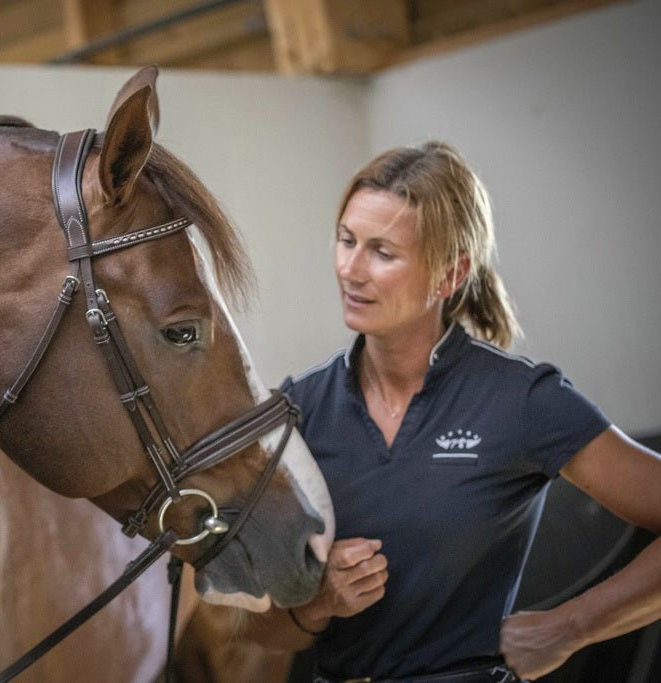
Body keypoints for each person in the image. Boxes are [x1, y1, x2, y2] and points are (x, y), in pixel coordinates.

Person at [243, 141, 661, 682]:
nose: (350, 268)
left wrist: (571, 627)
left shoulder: (523, 400)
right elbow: (254, 628)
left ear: (449, 274)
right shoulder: (298, 410)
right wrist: (316, 604)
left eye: (382, 252)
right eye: (346, 240)